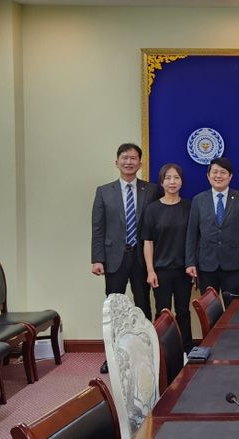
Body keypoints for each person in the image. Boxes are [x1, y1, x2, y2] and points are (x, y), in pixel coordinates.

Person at [91, 142, 162, 373]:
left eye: (133, 158)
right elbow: (98, 227)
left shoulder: (152, 190)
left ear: (140, 163)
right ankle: (113, 357)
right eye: (124, 158)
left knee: (143, 306)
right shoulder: (104, 191)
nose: (129, 162)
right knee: (115, 309)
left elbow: (157, 225)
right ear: (117, 162)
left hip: (142, 258)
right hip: (114, 258)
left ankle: (147, 353)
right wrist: (97, 258)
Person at [185, 157, 239, 309]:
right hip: (206, 264)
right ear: (208, 176)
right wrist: (190, 262)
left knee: (233, 309)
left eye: (223, 172)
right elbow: (192, 234)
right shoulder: (198, 200)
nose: (218, 176)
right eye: (215, 172)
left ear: (230, 176)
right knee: (208, 308)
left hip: (232, 264)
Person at [142, 163, 193, 353]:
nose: (172, 182)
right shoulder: (152, 209)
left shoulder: (189, 207)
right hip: (160, 271)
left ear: (182, 181)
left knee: (183, 311)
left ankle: (187, 349)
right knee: (163, 312)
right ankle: (162, 351)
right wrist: (150, 270)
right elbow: (148, 242)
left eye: (176, 178)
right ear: (162, 182)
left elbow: (194, 239)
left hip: (184, 270)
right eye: (168, 178)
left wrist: (193, 265)